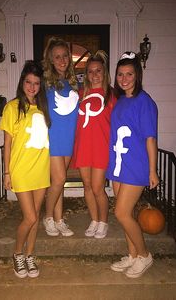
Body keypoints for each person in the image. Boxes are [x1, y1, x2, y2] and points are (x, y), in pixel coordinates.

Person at [106, 51, 159, 278]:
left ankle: (145, 255)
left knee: (122, 213)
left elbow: (150, 138)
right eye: (120, 74)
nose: (124, 78)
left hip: (135, 166)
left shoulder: (144, 101)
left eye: (129, 74)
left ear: (137, 76)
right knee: (124, 214)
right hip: (118, 165)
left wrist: (152, 170)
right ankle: (133, 255)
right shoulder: (120, 101)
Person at [0, 60, 50, 278]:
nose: (32, 87)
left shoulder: (43, 107)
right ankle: (18, 253)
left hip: (41, 168)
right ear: (22, 82)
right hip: (20, 169)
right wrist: (7, 172)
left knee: (36, 216)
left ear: (40, 85)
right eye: (28, 82)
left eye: (36, 83)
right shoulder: (12, 107)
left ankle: (30, 255)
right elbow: (7, 143)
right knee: (29, 217)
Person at [72, 50, 116, 239]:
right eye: (90, 71)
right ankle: (94, 220)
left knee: (98, 188)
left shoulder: (112, 95)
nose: (94, 75)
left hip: (100, 147)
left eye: (98, 71)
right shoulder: (80, 94)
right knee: (87, 186)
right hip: (83, 147)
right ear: (86, 74)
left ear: (104, 73)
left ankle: (104, 221)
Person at [42, 37, 79, 237]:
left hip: (68, 138)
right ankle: (48, 217)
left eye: (65, 56)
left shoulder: (72, 82)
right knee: (59, 180)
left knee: (59, 182)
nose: (62, 60)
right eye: (57, 57)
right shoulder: (46, 82)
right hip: (53, 137)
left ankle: (59, 220)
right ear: (51, 59)